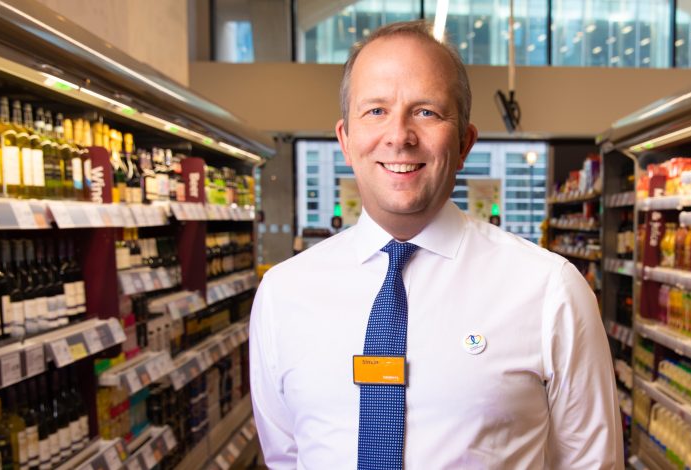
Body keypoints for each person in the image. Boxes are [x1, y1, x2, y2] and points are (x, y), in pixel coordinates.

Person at [249, 20, 623, 469]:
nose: (399, 136)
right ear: (345, 141)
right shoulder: (283, 294)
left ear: (464, 143)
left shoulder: (550, 291)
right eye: (376, 110)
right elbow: (286, 458)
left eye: (426, 112)